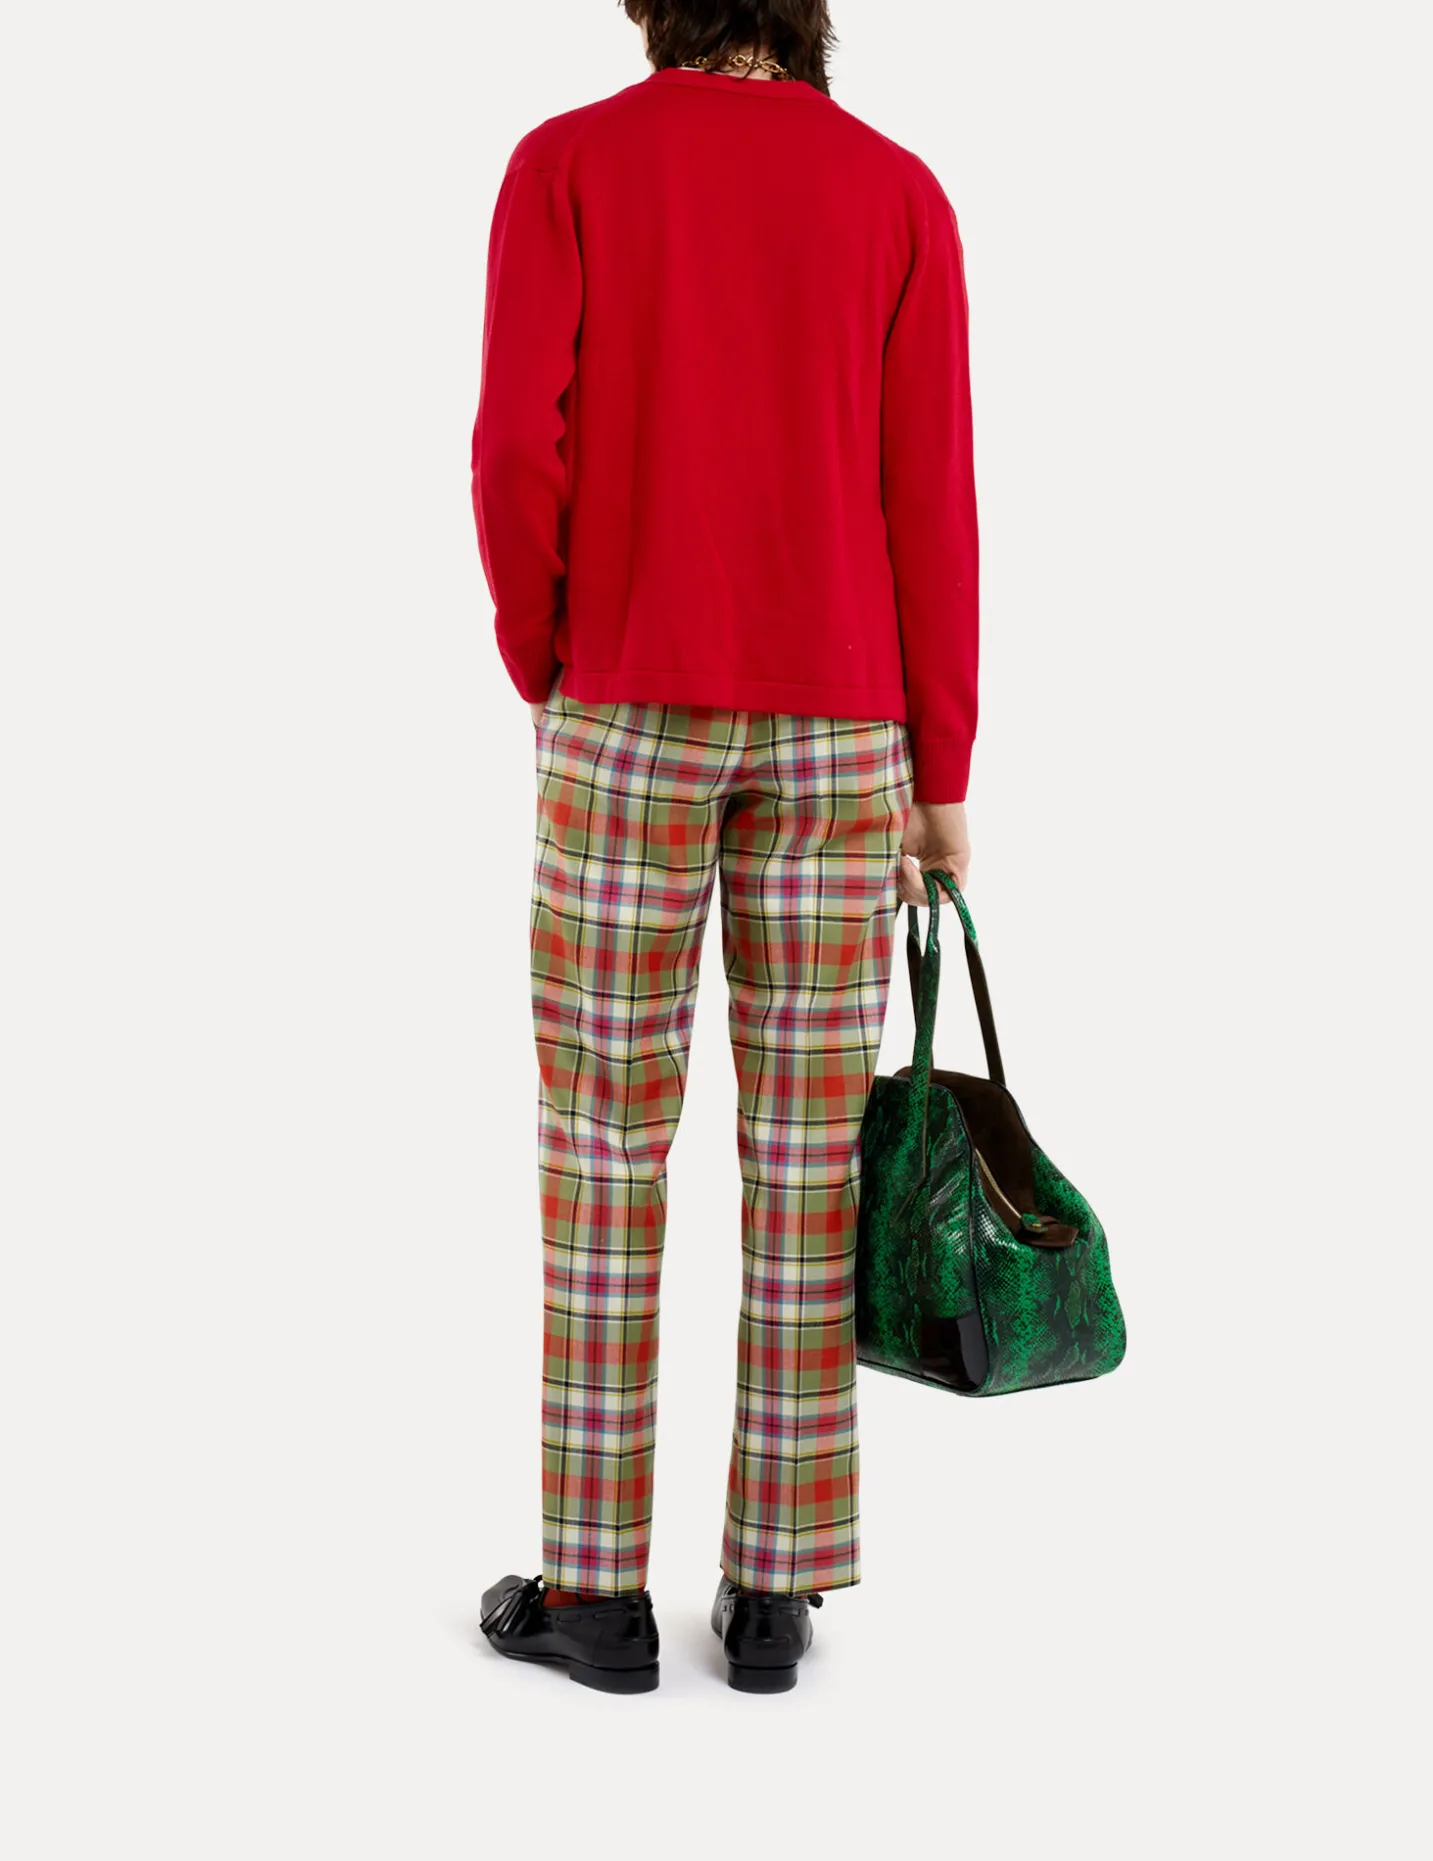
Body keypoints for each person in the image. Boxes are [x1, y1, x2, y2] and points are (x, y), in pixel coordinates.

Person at [472, 0, 977, 1694]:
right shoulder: (896, 193)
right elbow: (931, 497)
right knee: (811, 1153)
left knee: (604, 1137)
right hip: (845, 726)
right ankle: (772, 1591)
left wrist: (546, 651)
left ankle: (595, 1594)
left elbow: (514, 446)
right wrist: (943, 766)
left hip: (626, 697)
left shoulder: (569, 168)